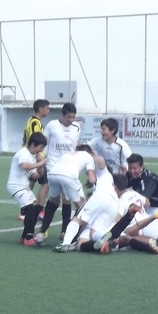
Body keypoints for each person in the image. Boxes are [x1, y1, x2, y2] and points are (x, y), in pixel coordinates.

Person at [36, 141, 95, 246]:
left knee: (53, 201)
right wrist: (92, 182)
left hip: (53, 173)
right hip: (69, 176)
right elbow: (92, 179)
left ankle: (41, 233)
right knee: (82, 206)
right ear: (90, 153)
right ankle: (75, 237)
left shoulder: (69, 153)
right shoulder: (89, 157)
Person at [41, 103, 82, 238]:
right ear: (62, 115)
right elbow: (43, 143)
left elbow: (74, 146)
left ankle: (64, 231)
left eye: (73, 117)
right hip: (53, 167)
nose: (71, 120)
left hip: (69, 168)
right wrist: (41, 159)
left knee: (67, 199)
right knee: (54, 199)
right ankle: (44, 229)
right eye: (69, 117)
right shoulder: (52, 125)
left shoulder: (76, 127)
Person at [7, 132, 47, 246]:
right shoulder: (23, 153)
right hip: (16, 186)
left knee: (36, 209)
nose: (41, 150)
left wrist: (40, 166)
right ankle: (28, 238)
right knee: (30, 209)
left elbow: (35, 175)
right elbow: (24, 166)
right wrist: (42, 162)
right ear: (33, 144)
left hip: (24, 187)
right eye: (41, 147)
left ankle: (24, 237)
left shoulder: (32, 157)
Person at [22, 99, 51, 220]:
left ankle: (24, 209)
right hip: (35, 156)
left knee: (31, 181)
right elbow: (36, 140)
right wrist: (39, 154)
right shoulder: (35, 122)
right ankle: (40, 210)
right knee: (45, 183)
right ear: (40, 109)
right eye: (47, 108)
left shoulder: (30, 120)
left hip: (29, 155)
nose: (48, 111)